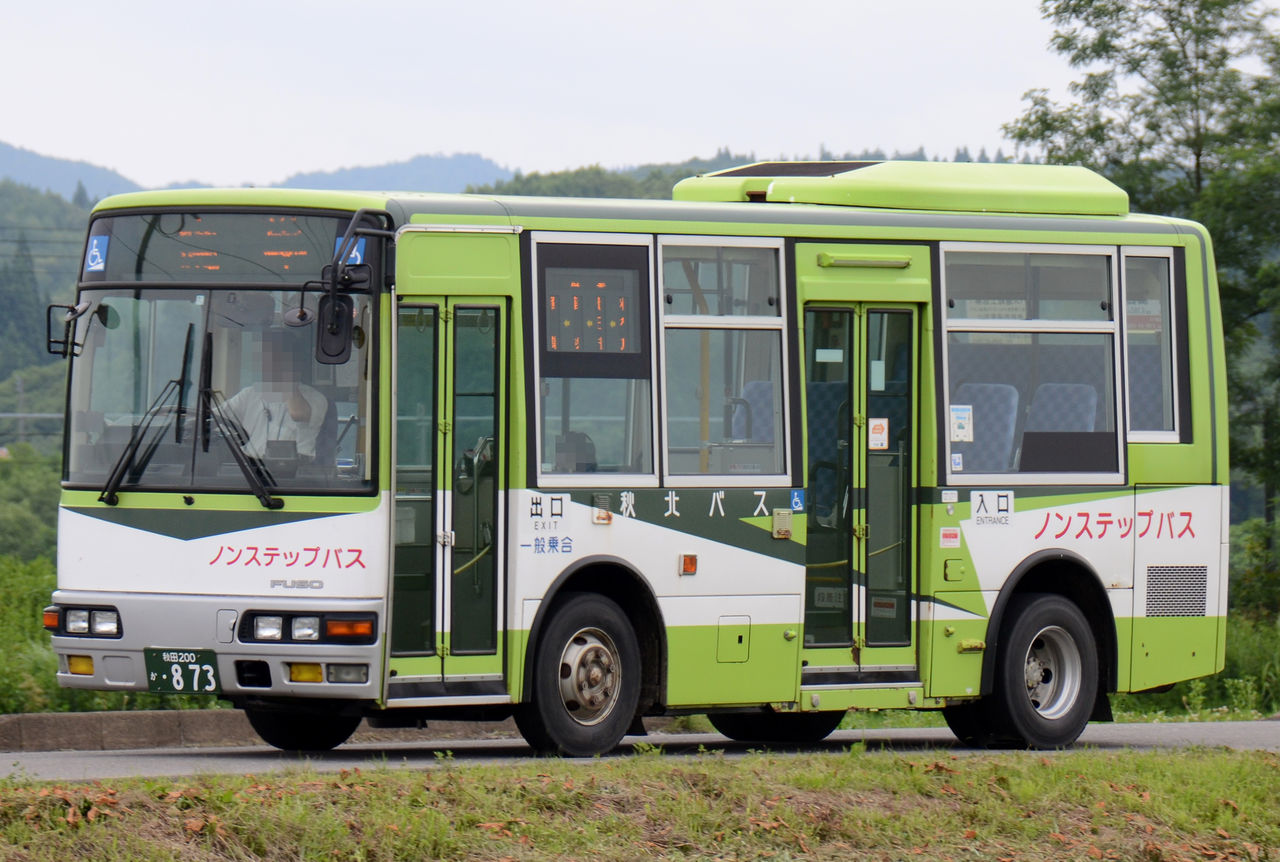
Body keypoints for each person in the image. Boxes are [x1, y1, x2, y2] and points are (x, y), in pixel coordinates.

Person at [225, 331, 327, 462]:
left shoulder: (316, 398)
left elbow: (298, 413)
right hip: (251, 470)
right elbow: (216, 418)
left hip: (295, 473)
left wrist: (287, 377)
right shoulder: (250, 395)